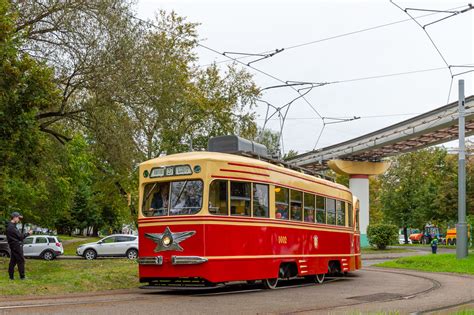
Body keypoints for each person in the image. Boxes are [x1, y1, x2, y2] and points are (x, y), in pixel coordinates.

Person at [6, 212, 32, 280]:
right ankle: (22, 277)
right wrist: (28, 233)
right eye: (18, 218)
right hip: (16, 246)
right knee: (21, 260)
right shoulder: (11, 227)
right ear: (14, 217)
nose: (19, 220)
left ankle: (11, 277)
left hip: (14, 246)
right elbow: (20, 237)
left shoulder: (11, 226)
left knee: (13, 261)